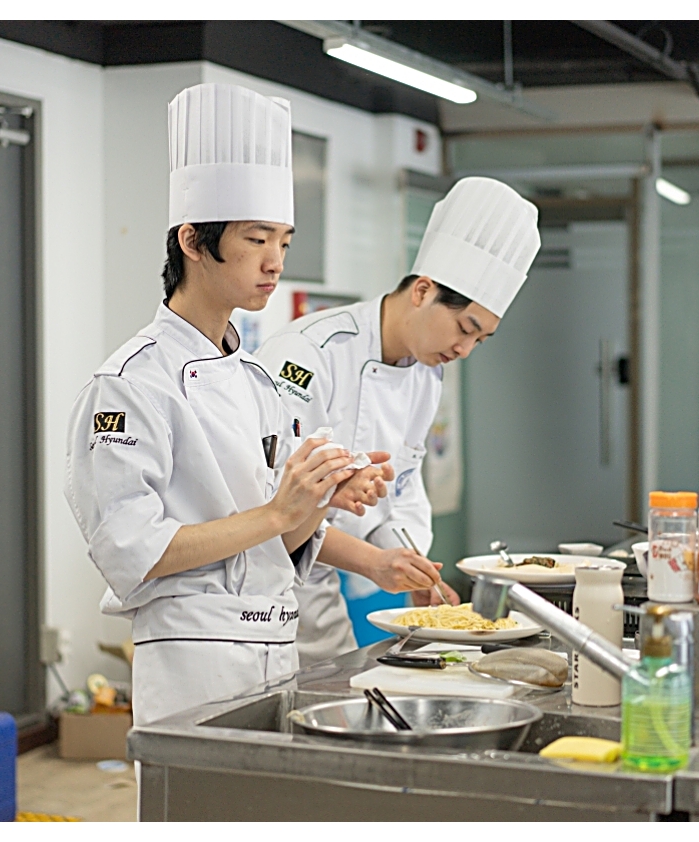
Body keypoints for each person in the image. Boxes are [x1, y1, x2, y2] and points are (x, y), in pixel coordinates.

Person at [64, 83, 392, 726]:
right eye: (256, 240)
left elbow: (279, 539)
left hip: (276, 647)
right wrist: (278, 511)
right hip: (192, 661)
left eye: (284, 243)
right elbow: (136, 550)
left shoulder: (258, 382)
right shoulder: (131, 384)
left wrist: (319, 496)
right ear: (192, 241)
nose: (275, 262)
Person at [256, 177, 542, 665]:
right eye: (465, 329)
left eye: (480, 341)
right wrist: (374, 563)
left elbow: (403, 490)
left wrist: (411, 566)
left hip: (325, 597)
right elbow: (271, 504)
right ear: (423, 291)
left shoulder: (426, 373)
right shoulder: (309, 354)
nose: (464, 350)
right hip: (264, 591)